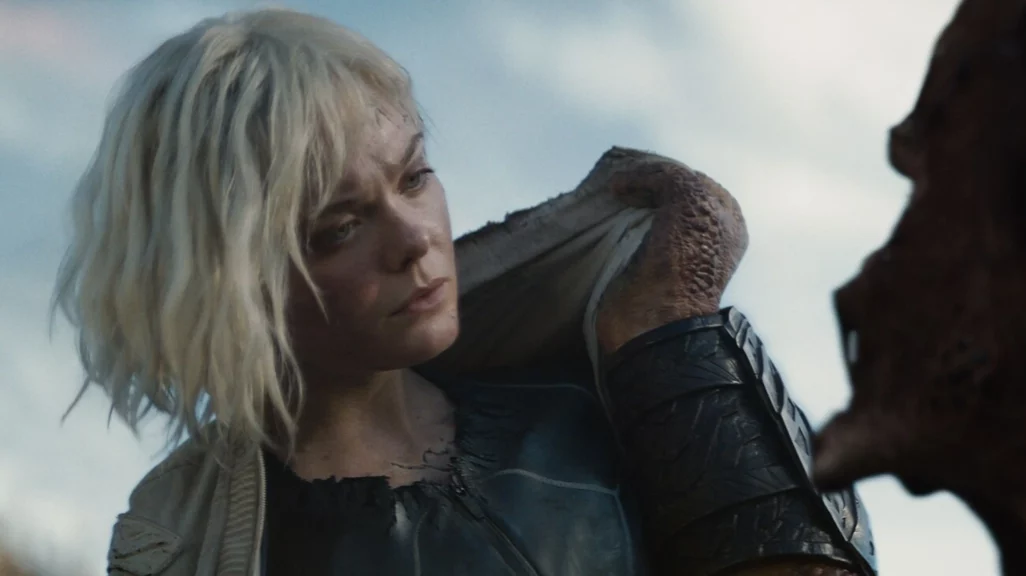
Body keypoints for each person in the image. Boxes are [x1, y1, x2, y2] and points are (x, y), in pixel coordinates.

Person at [53, 8, 875, 576]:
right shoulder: (202, 545)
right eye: (339, 228)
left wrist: (667, 333)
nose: (414, 238)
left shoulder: (598, 399)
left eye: (415, 177)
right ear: (229, 284)